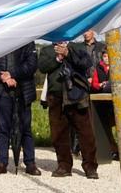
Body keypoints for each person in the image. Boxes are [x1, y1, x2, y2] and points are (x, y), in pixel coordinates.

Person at [38, 38, 98, 178]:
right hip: (56, 95)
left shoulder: (77, 47)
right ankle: (64, 166)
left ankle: (90, 167)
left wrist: (67, 53)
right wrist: (58, 58)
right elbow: (42, 67)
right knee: (59, 133)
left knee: (86, 132)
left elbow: (86, 63)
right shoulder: (47, 50)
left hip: (77, 94)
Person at [0, 42, 39, 175]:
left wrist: (11, 74)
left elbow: (31, 65)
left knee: (26, 128)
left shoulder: (28, 40)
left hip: (23, 90)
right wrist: (2, 76)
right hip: (2, 90)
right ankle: (2, 162)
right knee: (3, 128)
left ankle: (30, 163)